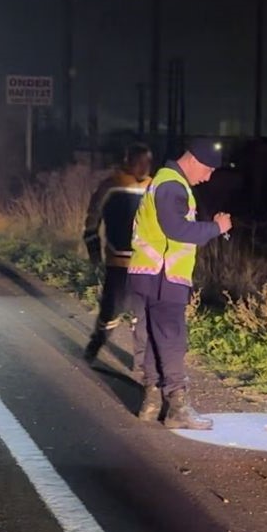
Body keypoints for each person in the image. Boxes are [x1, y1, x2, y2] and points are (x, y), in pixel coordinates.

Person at [127, 138, 231, 429]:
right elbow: (176, 229)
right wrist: (216, 228)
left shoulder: (162, 180)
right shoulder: (173, 185)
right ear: (194, 161)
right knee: (172, 340)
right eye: (208, 170)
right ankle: (178, 408)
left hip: (146, 273)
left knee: (153, 338)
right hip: (165, 276)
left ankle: (151, 402)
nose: (208, 177)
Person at [82, 142, 154, 364]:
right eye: (139, 162)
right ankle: (96, 344)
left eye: (147, 162)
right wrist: (95, 256)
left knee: (144, 316)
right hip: (118, 263)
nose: (144, 167)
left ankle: (142, 364)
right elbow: (92, 224)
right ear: (128, 161)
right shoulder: (110, 186)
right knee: (111, 311)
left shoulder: (155, 188)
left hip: (148, 264)